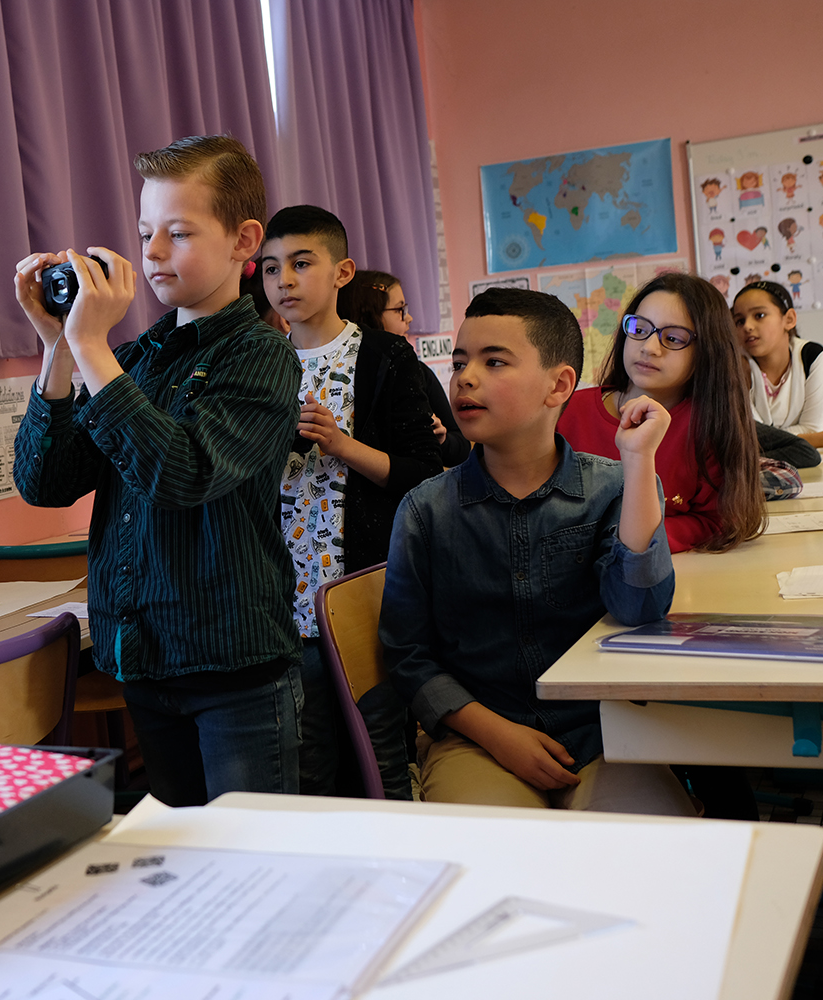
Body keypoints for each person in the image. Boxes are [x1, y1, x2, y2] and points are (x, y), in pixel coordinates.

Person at [11, 134, 303, 806]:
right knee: (183, 864)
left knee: (251, 864)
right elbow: (45, 481)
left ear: (243, 241)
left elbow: (181, 474)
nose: (153, 253)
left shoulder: (261, 356)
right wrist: (59, 346)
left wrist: (90, 345)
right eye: (146, 233)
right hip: (145, 663)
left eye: (178, 232)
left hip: (236, 671)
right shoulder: (139, 357)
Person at [381, 287, 691, 814]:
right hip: (479, 739)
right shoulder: (425, 509)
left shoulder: (614, 487)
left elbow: (639, 608)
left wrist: (639, 462)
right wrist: (499, 735)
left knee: (649, 848)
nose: (465, 378)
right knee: (495, 856)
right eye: (459, 363)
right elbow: (408, 656)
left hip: (602, 736)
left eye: (494, 361)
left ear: (559, 385)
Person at [258, 206, 441, 798]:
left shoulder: (384, 358)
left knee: (382, 753)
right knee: (309, 763)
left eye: (300, 263)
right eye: (269, 268)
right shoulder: (259, 365)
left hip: (364, 594)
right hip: (282, 606)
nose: (283, 280)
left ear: (342, 273)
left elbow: (423, 471)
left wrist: (342, 445)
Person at [558, 273, 765, 554]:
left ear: (707, 351)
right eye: (640, 330)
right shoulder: (565, 411)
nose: (649, 348)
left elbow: (722, 521)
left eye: (673, 338)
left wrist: (632, 538)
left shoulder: (709, 424)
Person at [339, 267, 471, 467]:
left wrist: (442, 439)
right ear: (369, 314)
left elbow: (461, 448)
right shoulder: (342, 373)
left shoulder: (418, 372)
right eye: (400, 310)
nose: (408, 318)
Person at [731, 280, 823, 447]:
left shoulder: (811, 356)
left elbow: (812, 428)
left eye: (759, 315)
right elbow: (748, 439)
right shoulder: (733, 365)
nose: (747, 326)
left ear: (789, 319)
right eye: (739, 321)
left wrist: (815, 436)